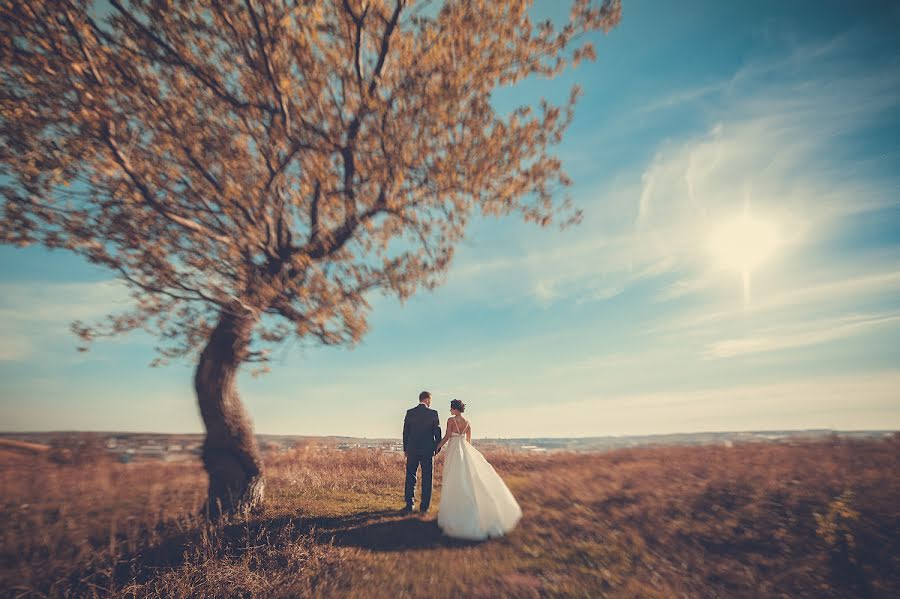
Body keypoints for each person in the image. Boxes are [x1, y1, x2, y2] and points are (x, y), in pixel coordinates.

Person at [435, 399, 522, 540]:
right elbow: (469, 442)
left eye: (451, 408)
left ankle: (455, 514)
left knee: (453, 478)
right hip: (464, 449)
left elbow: (446, 437)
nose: (450, 411)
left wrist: (437, 446)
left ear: (455, 409)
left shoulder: (451, 420)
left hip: (454, 450)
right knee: (467, 477)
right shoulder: (468, 423)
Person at [402, 390, 441, 513]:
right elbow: (437, 433)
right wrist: (437, 448)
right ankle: (424, 508)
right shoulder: (433, 413)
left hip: (412, 449)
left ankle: (409, 505)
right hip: (428, 450)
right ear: (428, 399)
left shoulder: (410, 413)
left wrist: (405, 449)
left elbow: (405, 433)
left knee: (410, 476)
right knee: (427, 478)